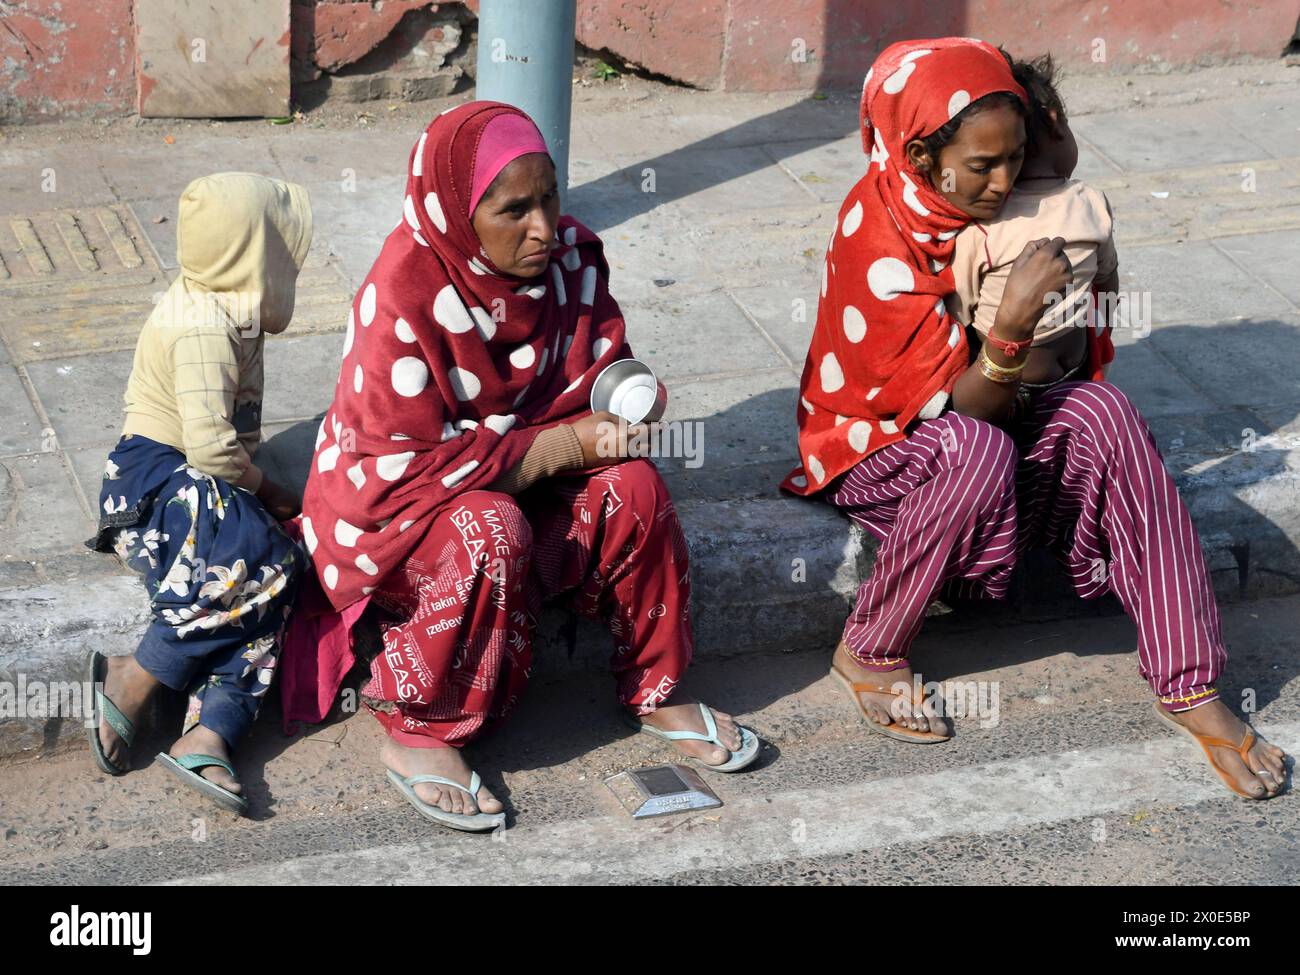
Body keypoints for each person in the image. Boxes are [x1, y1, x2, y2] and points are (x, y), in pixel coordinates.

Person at [781, 38, 1287, 800]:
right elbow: (962, 405)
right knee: (976, 448)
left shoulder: (1016, 203)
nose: (1003, 181)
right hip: (885, 449)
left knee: (1106, 410)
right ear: (921, 153)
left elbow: (1078, 355)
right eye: (982, 165)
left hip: (996, 415)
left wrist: (1064, 281)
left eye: (1015, 157)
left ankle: (1191, 683)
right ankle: (870, 648)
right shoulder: (878, 232)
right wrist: (1013, 323)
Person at [295, 101, 759, 832]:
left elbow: (599, 370)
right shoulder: (404, 296)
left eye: (549, 198)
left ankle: (655, 687)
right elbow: (399, 477)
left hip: (521, 492)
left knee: (635, 486)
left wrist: (630, 403)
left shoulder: (568, 263)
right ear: (456, 212)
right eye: (515, 209)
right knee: (489, 524)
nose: (543, 227)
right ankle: (422, 726)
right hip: (403, 528)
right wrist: (567, 446)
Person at [85, 172, 312, 815]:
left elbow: (232, 439)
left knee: (273, 578)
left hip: (198, 480)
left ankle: (209, 732)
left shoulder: (234, 309)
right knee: (263, 555)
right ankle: (137, 674)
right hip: (153, 482)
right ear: (247, 253)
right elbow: (214, 450)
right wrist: (273, 493)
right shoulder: (203, 325)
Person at [947, 52, 1118, 409]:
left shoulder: (983, 226)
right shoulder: (1090, 201)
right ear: (1056, 122)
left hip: (1009, 383)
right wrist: (1100, 333)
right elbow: (1107, 281)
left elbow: (956, 316)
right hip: (1074, 369)